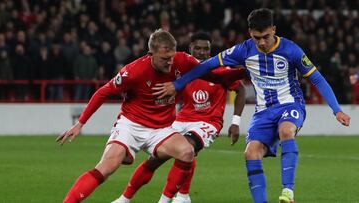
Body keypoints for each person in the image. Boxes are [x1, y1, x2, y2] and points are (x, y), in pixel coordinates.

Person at [152, 9, 351, 203]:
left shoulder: (291, 50)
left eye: (265, 36)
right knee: (251, 153)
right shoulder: (243, 50)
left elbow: (317, 79)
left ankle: (288, 192)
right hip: (263, 111)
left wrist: (336, 109)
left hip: (290, 104)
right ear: (250, 34)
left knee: (286, 130)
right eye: (257, 37)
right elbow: (207, 65)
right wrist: (178, 84)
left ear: (274, 29)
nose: (262, 42)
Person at [56, 29, 201, 203]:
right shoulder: (133, 71)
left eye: (171, 56)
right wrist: (80, 123)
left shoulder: (182, 60)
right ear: (150, 54)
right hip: (131, 125)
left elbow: (208, 69)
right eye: (164, 58)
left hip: (161, 129)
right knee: (107, 167)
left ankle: (170, 200)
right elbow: (103, 92)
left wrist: (236, 67)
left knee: (186, 152)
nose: (170, 62)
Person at [111, 32, 246, 203]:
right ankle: (125, 199)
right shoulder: (180, 68)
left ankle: (167, 199)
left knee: (187, 148)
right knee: (154, 160)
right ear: (190, 49)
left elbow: (240, 89)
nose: (202, 52)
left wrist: (235, 122)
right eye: (198, 48)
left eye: (206, 49)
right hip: (181, 120)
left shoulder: (218, 70)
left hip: (207, 122)